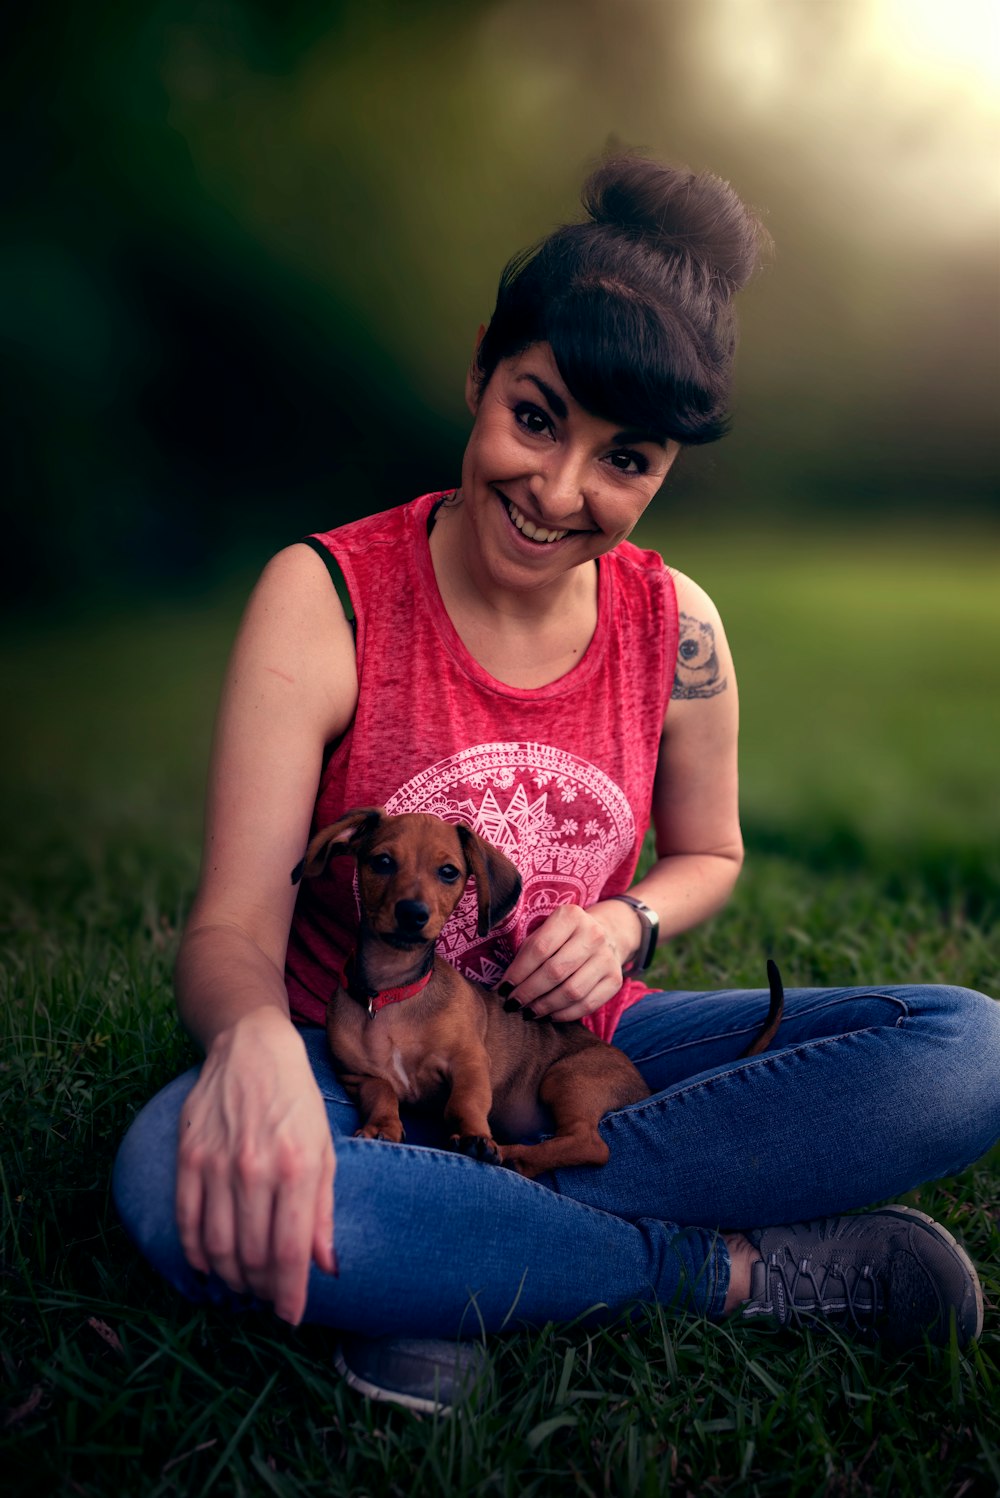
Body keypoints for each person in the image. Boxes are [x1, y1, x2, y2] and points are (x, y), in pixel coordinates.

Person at [114, 156, 1000, 1413]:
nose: (560, 490)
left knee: (965, 1048)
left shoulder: (677, 628)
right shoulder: (323, 598)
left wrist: (628, 919)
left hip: (579, 1044)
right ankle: (728, 1269)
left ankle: (443, 1251)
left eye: (625, 458)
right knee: (164, 1172)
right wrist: (253, 1046)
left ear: (668, 465)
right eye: (536, 417)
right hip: (346, 1050)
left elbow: (711, 854)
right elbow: (231, 927)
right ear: (482, 369)